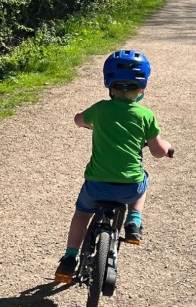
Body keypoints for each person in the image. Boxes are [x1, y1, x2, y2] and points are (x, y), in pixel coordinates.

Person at [55, 49, 174, 283]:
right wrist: (167, 146)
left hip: (96, 186)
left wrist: (89, 123)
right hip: (128, 189)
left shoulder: (100, 109)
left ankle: (69, 257)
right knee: (143, 179)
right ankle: (134, 221)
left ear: (109, 85)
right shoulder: (146, 115)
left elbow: (78, 120)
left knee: (82, 213)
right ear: (142, 88)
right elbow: (158, 152)